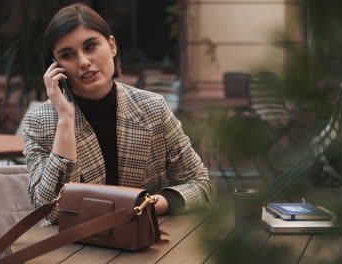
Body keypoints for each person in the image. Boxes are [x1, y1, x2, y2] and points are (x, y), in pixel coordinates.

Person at [22, 3, 213, 224]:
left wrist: (150, 205)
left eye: (90, 46)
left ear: (112, 46)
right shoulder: (40, 122)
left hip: (143, 243)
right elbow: (52, 211)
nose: (84, 61)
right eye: (68, 54)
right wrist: (65, 120)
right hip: (72, 248)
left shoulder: (152, 108)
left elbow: (201, 185)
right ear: (55, 68)